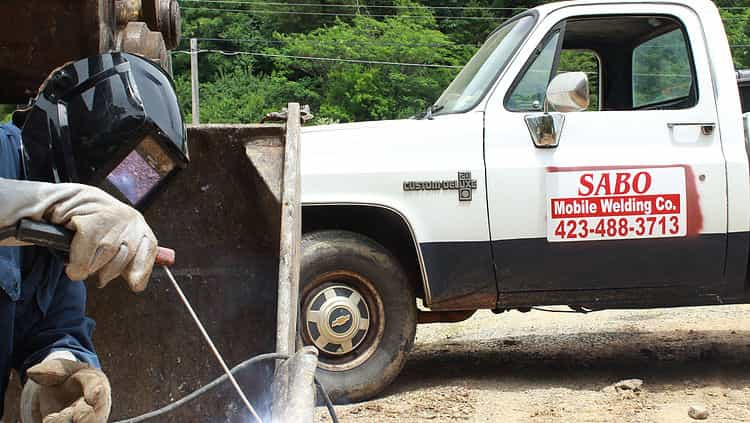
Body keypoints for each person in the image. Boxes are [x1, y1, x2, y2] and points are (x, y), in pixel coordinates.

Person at [0, 52, 188, 423]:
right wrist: (44, 202)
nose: (121, 186)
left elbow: (59, 330)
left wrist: (64, 376)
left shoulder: (61, 250)